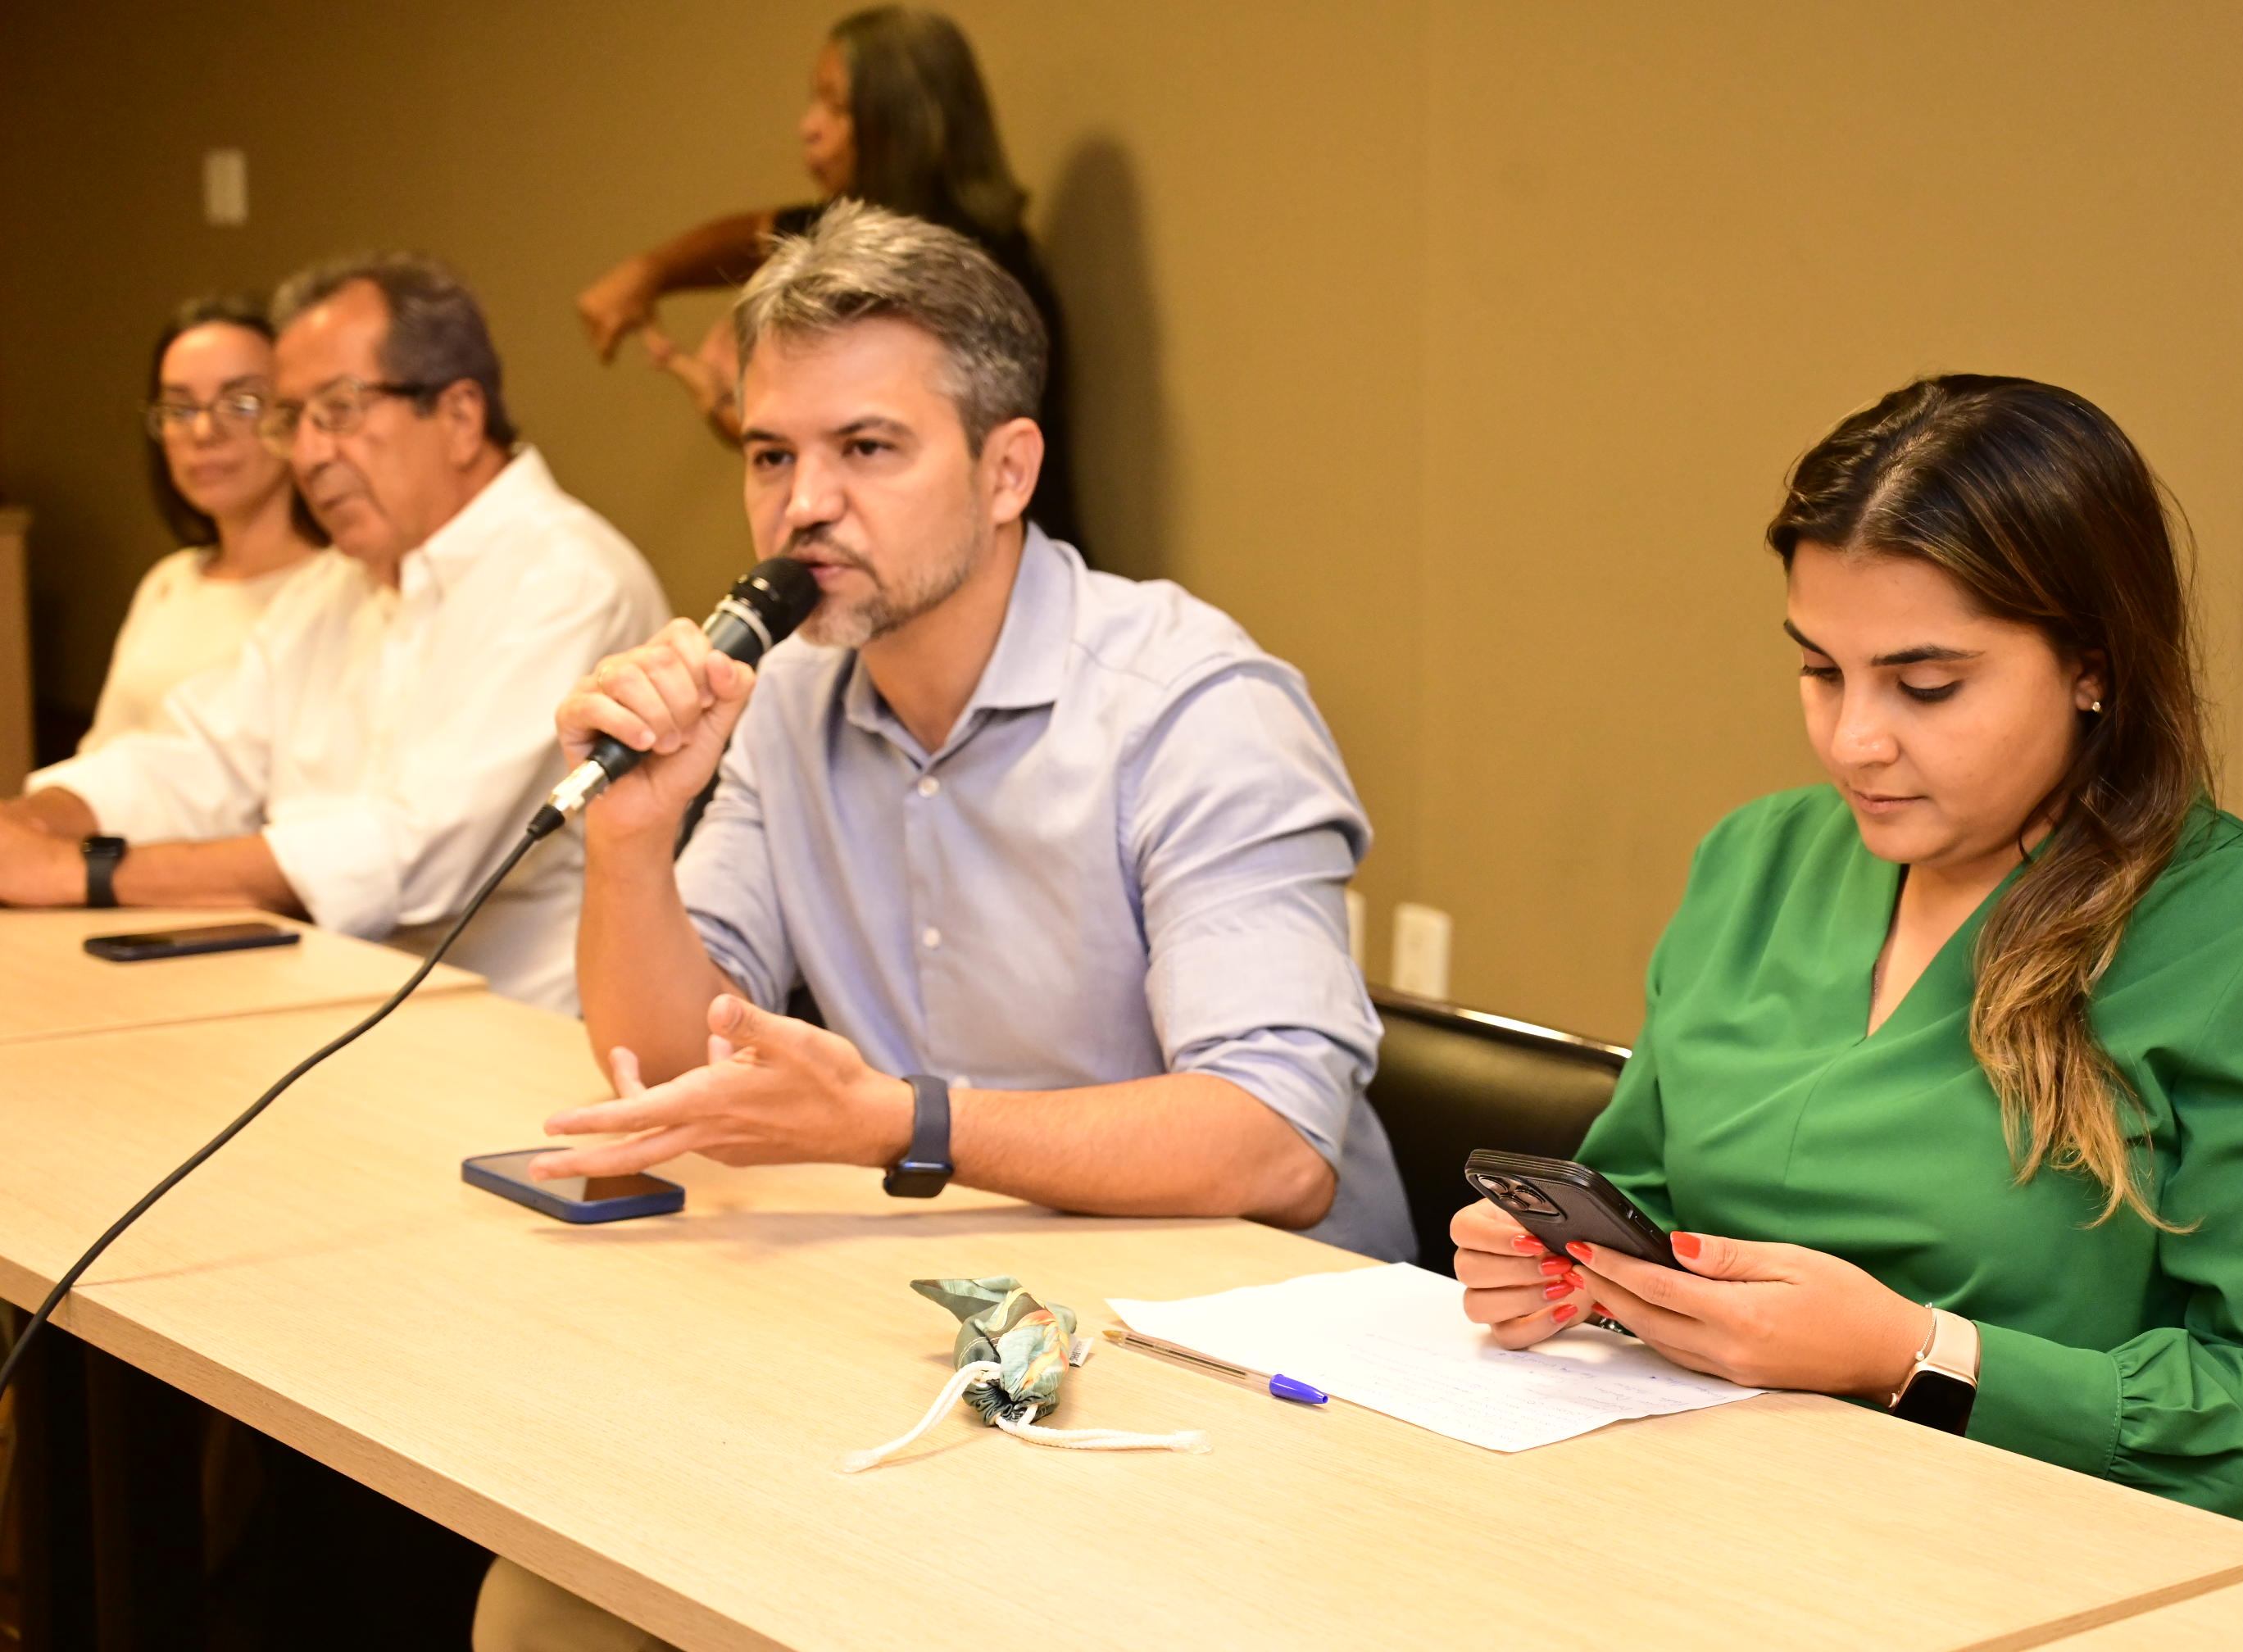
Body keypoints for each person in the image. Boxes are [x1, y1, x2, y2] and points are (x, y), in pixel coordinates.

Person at [467, 201, 1412, 1650]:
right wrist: (632, 841)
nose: (804, 506)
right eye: (770, 456)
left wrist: (898, 1123)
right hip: (960, 1324)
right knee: (546, 1604)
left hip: (1241, 1369)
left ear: (1006, 470)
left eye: (867, 449)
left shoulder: (1192, 708)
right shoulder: (785, 697)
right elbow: (665, 1070)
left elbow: (1275, 1144)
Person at [1451, 375, 2243, 1556]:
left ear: (2094, 666)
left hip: (2046, 1571)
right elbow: (1648, 1197)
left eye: (1927, 686)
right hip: (1707, 1525)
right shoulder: (1758, 861)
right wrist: (1564, 1270)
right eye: (1821, 670)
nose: (1853, 741)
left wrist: (1918, 1356)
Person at [0, 254, 669, 1012]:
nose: (309, 455)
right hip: (322, 1004)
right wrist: (34, 822)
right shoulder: (335, 587)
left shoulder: (567, 581)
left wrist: (78, 872)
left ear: (458, 416)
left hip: (516, 1029)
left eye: (340, 410)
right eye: (291, 421)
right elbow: (199, 757)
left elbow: (415, 852)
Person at [574, 5, 1083, 551]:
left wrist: (736, 413)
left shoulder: (966, 278)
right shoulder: (868, 234)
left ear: (901, 123)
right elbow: (760, 234)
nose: (809, 127)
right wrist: (650, 274)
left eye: (836, 107)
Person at [83, 295, 332, 750]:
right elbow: (104, 748)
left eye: (241, 403)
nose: (204, 432)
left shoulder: (339, 589)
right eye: (180, 410)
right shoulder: (169, 581)